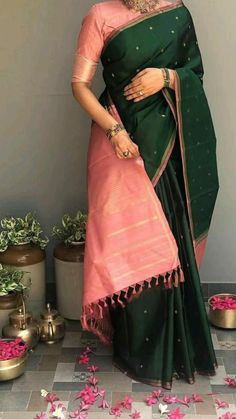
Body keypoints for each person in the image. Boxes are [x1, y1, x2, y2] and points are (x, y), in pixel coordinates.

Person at [71, 0, 219, 389]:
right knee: (131, 243)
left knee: (170, 245)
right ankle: (138, 349)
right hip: (121, 144)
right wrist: (115, 132)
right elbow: (79, 85)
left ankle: (176, 346)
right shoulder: (100, 16)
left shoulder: (178, 12)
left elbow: (194, 72)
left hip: (170, 145)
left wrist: (168, 78)